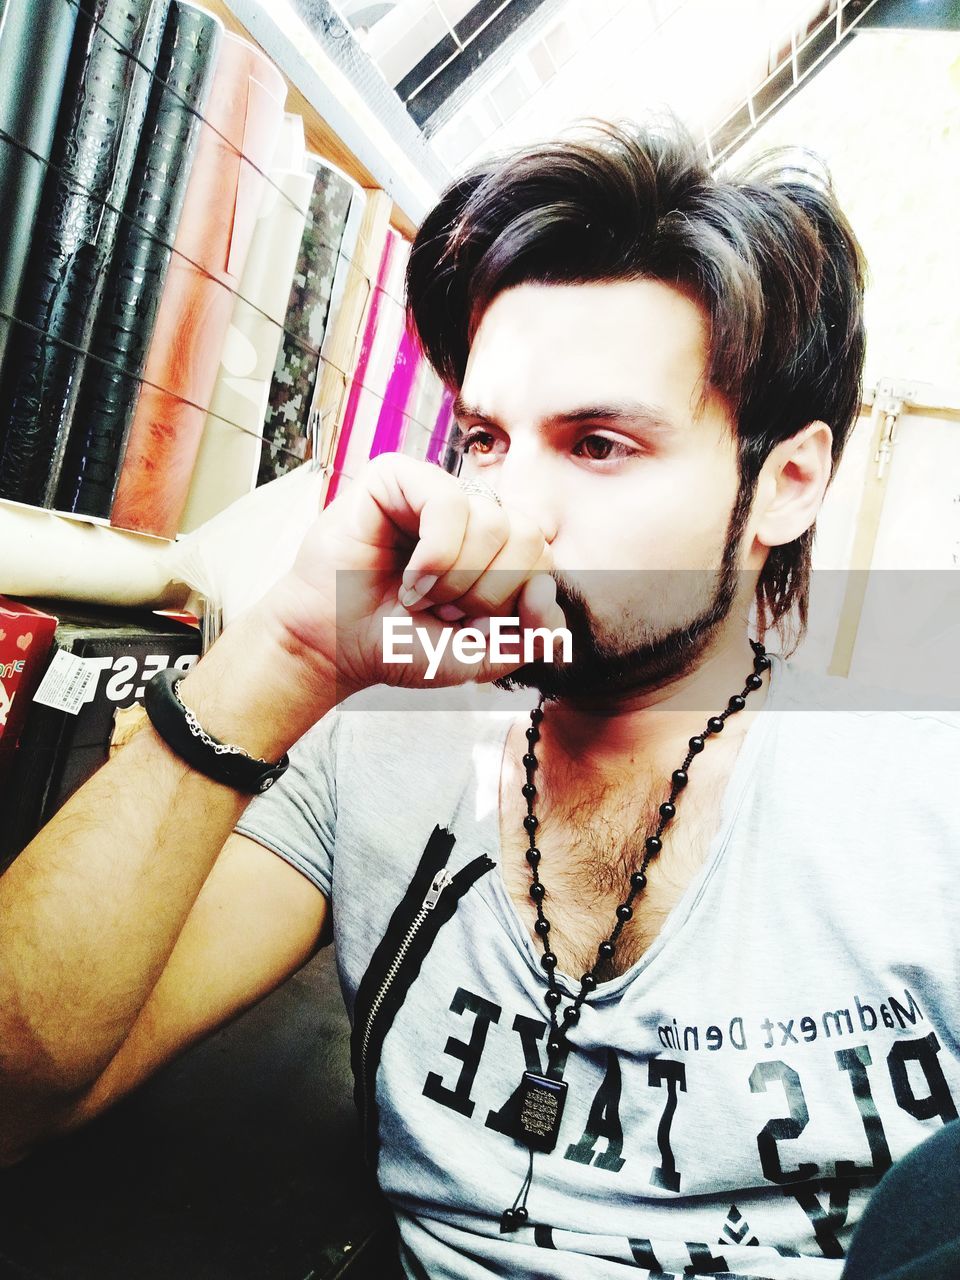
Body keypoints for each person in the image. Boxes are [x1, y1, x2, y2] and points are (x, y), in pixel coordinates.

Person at [1, 122, 958, 1279]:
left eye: (600, 445)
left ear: (787, 483)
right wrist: (293, 651)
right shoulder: (374, 750)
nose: (511, 511)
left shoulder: (923, 800)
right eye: (485, 439)